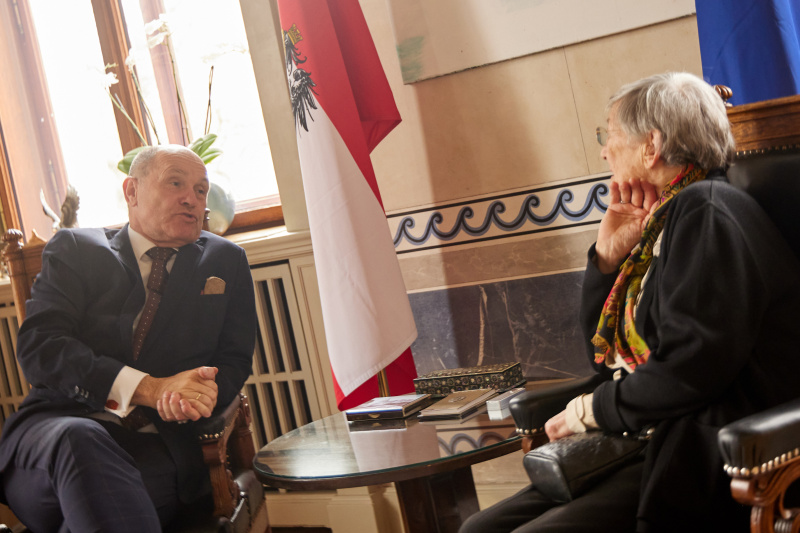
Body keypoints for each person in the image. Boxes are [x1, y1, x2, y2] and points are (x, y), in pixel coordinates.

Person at [460, 72, 800, 532]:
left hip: (703, 451)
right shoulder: (669, 216)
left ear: (651, 145)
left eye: (610, 135)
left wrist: (589, 410)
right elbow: (606, 359)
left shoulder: (708, 210)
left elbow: (689, 367)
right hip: (649, 436)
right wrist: (606, 257)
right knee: (478, 528)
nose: (604, 150)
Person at [0, 145, 257, 532]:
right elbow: (41, 347)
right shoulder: (76, 250)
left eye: (201, 190)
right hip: (56, 431)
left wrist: (197, 396)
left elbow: (234, 360)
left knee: (101, 511)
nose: (193, 198)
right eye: (176, 183)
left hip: (155, 446)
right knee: (80, 438)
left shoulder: (226, 262)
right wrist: (150, 389)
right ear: (131, 191)